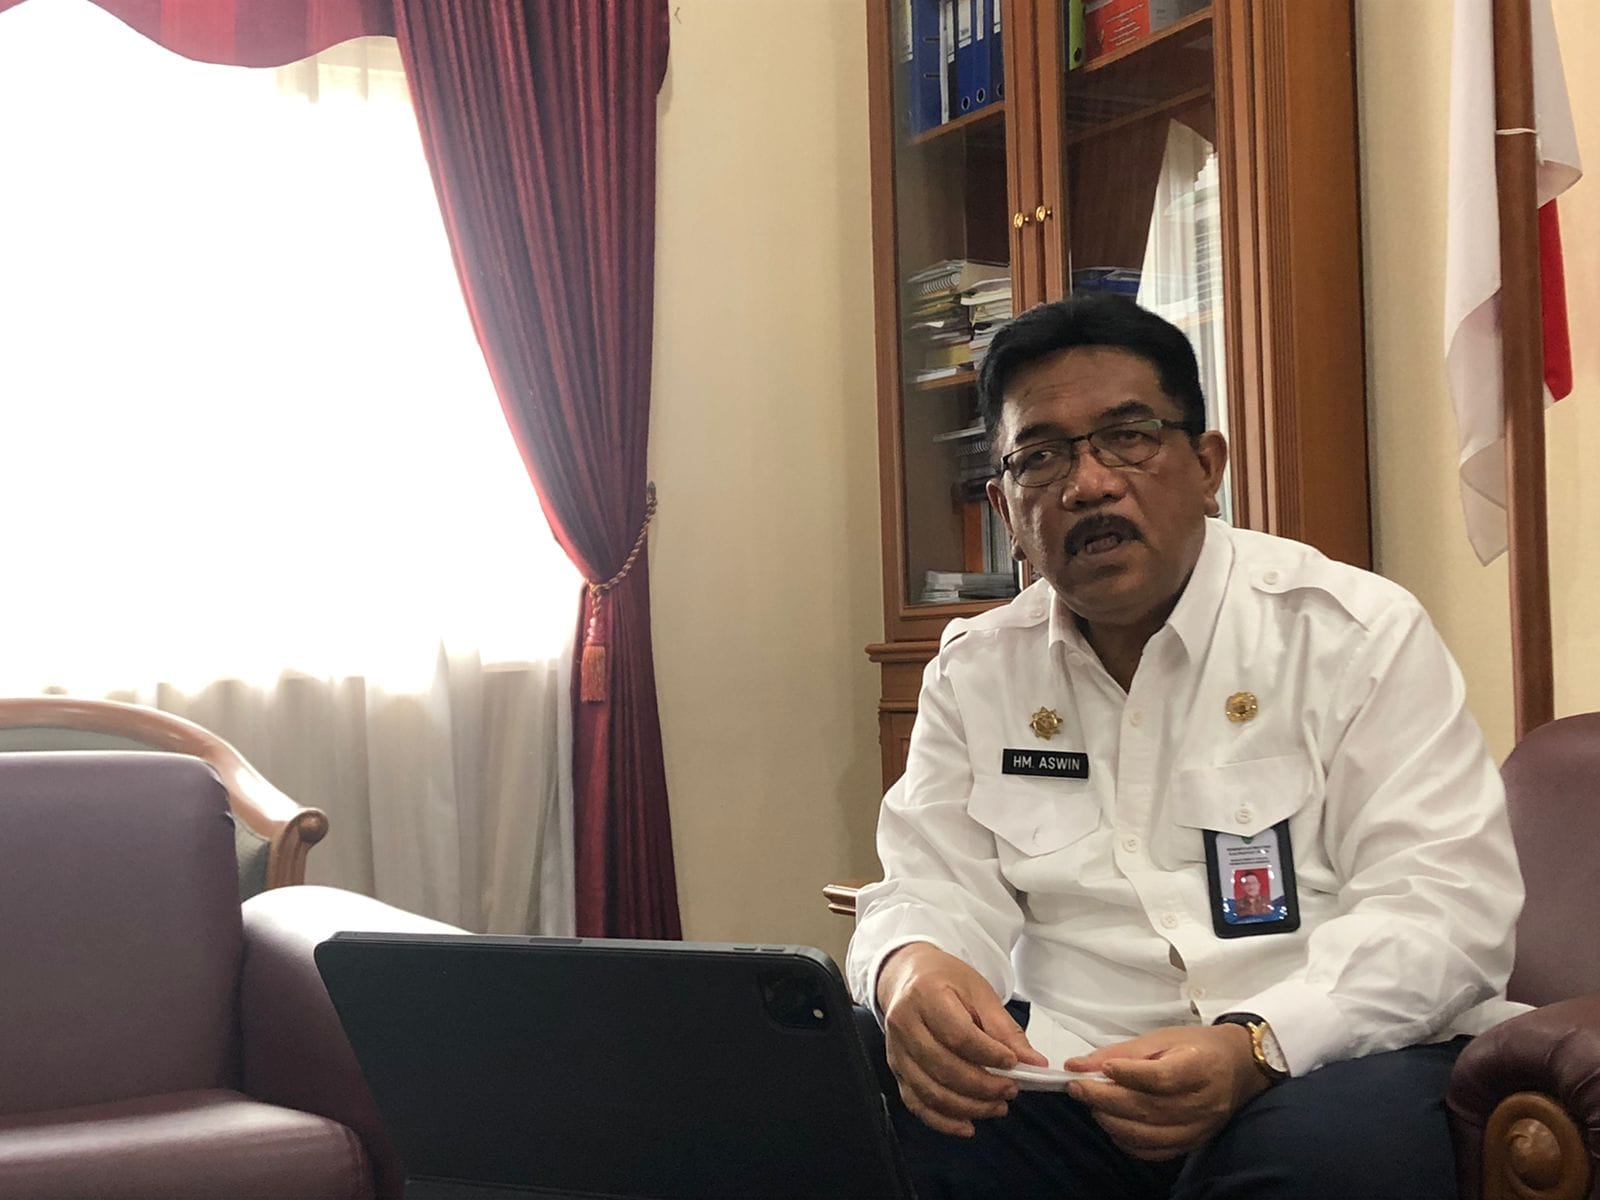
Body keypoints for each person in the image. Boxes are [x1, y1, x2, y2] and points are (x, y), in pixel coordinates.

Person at [846, 294, 1525, 1200]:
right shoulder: (976, 670)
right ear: (1007, 508)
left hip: (1319, 1060)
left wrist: (1255, 1045)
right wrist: (910, 965)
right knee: (858, 1088)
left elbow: (1445, 907)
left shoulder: (1351, 633)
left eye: (1127, 438)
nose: (1088, 485)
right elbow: (926, 883)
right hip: (1066, 1070)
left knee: (1331, 1157)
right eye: (1040, 457)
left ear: (1207, 468)